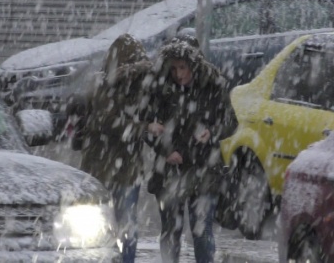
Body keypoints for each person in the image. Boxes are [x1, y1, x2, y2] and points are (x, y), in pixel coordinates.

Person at [146, 34, 234, 263]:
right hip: (169, 172)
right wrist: (166, 151)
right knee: (170, 234)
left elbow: (231, 121)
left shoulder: (213, 85)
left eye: (183, 68)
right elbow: (147, 126)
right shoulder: (161, 87)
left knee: (202, 234)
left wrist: (212, 132)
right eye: (174, 69)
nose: (179, 74)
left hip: (204, 169)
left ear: (194, 65)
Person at [78, 33, 157, 263]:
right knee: (108, 225)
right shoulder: (105, 87)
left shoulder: (140, 87)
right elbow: (108, 122)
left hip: (123, 170)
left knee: (124, 225)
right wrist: (144, 127)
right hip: (105, 169)